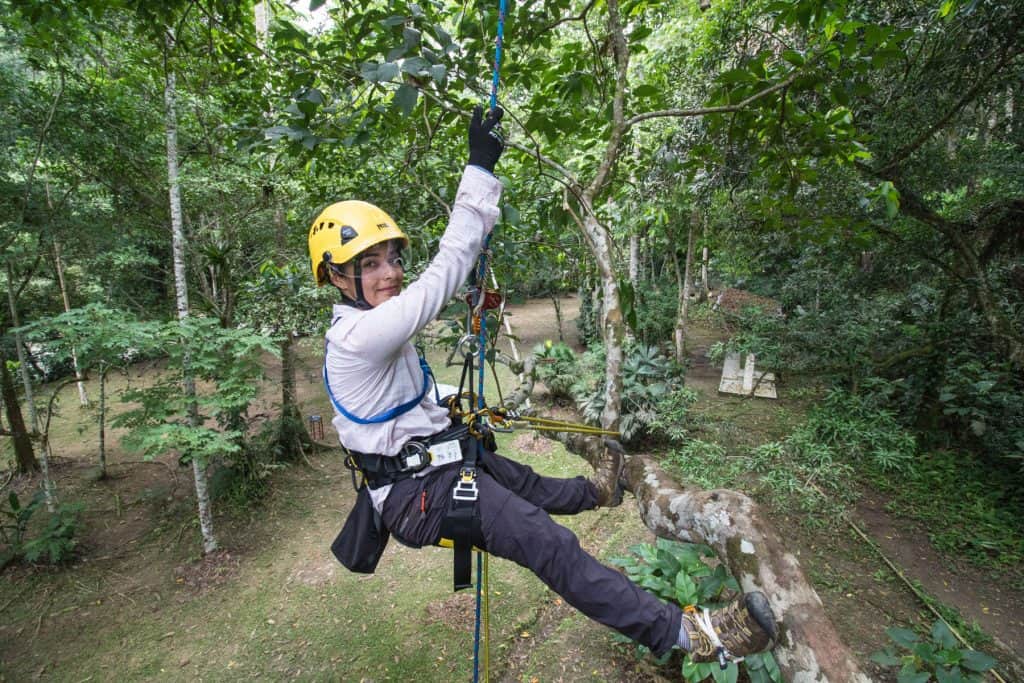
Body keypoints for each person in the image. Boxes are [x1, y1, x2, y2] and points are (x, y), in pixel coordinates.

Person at [309, 105, 778, 663]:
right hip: (419, 496)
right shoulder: (359, 338)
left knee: (525, 480)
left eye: (391, 258)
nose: (390, 272)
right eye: (370, 264)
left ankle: (596, 492)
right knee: (547, 542)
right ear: (337, 277)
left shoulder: (370, 328)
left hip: (432, 466)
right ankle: (689, 635)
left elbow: (400, 401)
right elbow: (443, 273)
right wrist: (478, 169)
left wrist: (449, 406)